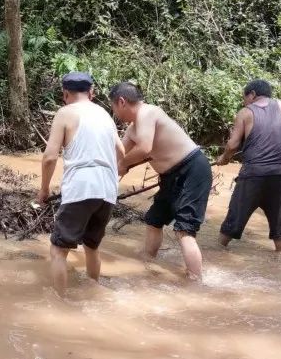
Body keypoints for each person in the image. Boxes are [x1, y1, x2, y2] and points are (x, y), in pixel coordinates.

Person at [110, 82, 213, 282]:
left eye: (113, 107)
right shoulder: (133, 129)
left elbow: (145, 148)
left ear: (121, 102)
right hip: (170, 176)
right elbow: (116, 159)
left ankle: (196, 281)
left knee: (184, 229)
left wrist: (123, 164)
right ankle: (147, 262)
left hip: (192, 169)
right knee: (154, 219)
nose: (115, 113)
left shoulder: (148, 112)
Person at [36, 72, 124, 296]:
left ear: (65, 93)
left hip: (81, 187)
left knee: (58, 250)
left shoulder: (65, 113)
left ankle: (60, 301)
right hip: (107, 189)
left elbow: (49, 157)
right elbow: (121, 152)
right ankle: (93, 291)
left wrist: (44, 190)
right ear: (91, 93)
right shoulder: (105, 114)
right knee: (92, 248)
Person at [217, 79, 281, 254]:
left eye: (245, 97)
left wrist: (224, 158)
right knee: (279, 225)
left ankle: (216, 254)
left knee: (233, 220)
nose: (244, 102)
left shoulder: (245, 112)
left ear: (253, 94)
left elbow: (233, 145)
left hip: (253, 174)